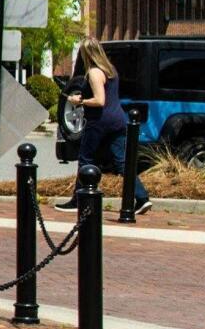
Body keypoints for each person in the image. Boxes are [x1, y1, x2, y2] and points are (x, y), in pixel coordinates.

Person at [62, 37, 148, 218]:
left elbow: (100, 100)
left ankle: (77, 200)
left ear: (87, 54)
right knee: (121, 162)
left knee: (86, 159)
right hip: (118, 120)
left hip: (99, 122)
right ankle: (141, 197)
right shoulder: (110, 70)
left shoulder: (93, 72)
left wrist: (80, 101)